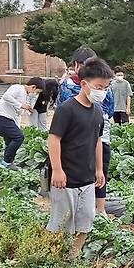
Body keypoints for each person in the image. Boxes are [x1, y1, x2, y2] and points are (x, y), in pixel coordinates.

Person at [46, 57, 111, 257]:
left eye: (106, 88)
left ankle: (72, 257)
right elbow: (54, 139)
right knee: (61, 222)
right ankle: (50, 258)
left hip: (87, 177)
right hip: (65, 178)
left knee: (86, 220)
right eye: (99, 87)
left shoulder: (97, 112)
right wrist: (57, 170)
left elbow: (98, 141)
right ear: (84, 84)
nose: (102, 92)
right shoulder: (67, 109)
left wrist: (99, 169)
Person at [57, 47, 114, 214]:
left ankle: (99, 210)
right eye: (82, 64)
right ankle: (74, 211)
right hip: (74, 138)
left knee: (100, 170)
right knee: (75, 170)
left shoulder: (101, 85)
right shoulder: (67, 86)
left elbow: (109, 110)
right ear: (75, 65)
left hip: (98, 134)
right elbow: (61, 113)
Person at [0, 77, 45, 170]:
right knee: (19, 137)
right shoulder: (18, 88)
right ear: (33, 87)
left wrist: (17, 126)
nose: (35, 94)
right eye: (37, 92)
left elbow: (18, 115)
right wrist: (21, 105)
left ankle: (5, 164)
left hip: (8, 118)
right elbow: (6, 97)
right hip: (0, 116)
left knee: (10, 140)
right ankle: (7, 161)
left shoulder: (26, 96)